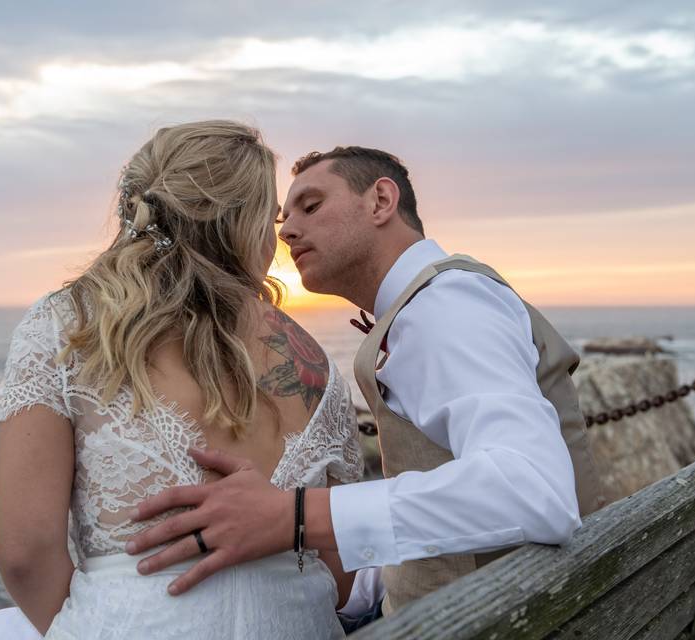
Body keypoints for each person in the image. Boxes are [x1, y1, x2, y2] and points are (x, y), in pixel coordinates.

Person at [124, 146, 606, 623]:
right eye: (282, 221)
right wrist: (348, 587)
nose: (288, 230)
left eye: (311, 207)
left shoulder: (445, 305)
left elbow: (534, 490)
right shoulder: (427, 305)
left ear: (380, 201)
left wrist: (293, 515)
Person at [0, 122, 363, 639]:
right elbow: (342, 571)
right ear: (243, 225)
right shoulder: (314, 361)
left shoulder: (67, 326)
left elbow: (24, 552)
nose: (277, 238)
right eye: (271, 220)